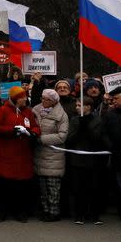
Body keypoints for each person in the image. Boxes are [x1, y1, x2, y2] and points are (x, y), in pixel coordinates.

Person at [0, 85, 41, 222]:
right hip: (7, 155)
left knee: (22, 187)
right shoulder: (3, 110)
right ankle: (2, 212)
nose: (25, 99)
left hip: (23, 155)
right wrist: (12, 130)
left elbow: (36, 127)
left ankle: (21, 212)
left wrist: (32, 132)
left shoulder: (28, 112)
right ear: (16, 99)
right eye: (22, 97)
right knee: (5, 186)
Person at [67, 96, 108, 225]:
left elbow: (98, 139)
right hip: (78, 159)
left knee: (94, 188)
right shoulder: (74, 120)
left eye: (80, 105)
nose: (77, 108)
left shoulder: (98, 120)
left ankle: (95, 215)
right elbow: (69, 139)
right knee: (79, 188)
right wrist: (80, 128)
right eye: (77, 105)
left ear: (88, 106)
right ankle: (80, 214)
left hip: (93, 159)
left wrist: (87, 127)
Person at [33, 89, 69, 221]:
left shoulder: (61, 115)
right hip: (39, 154)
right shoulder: (35, 110)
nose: (43, 101)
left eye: (46, 99)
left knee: (53, 188)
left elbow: (62, 136)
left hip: (54, 156)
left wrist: (42, 139)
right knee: (42, 188)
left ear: (54, 101)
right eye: (42, 98)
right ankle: (45, 210)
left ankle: (54, 212)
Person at [103, 85, 121, 228]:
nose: (113, 101)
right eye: (112, 99)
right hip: (119, 158)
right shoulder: (110, 114)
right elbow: (104, 134)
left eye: (115, 98)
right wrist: (111, 146)